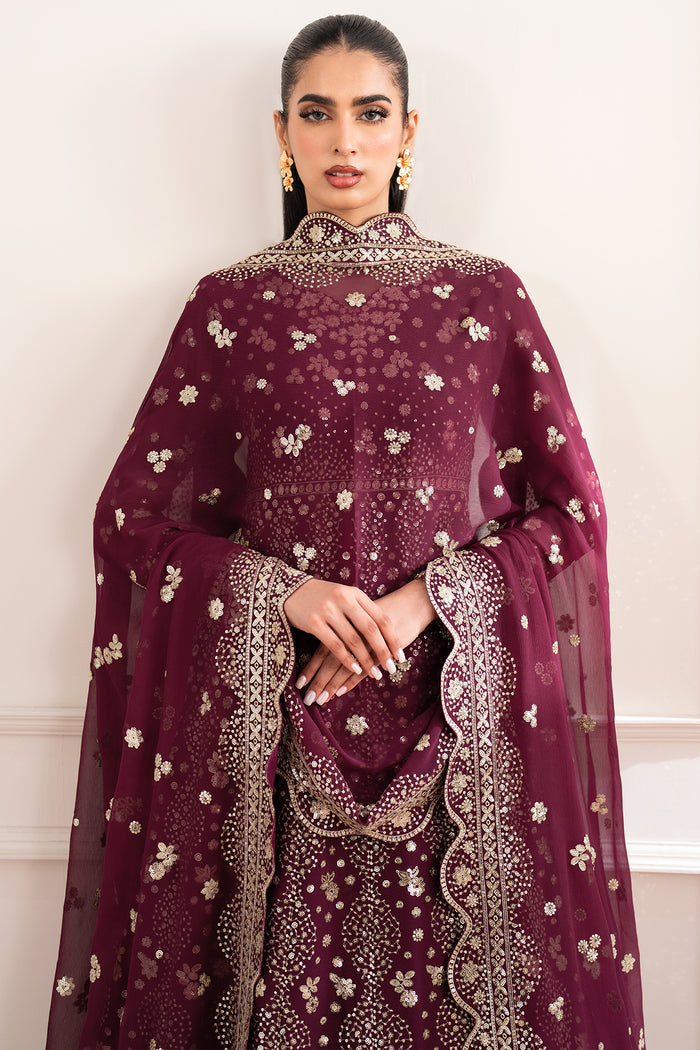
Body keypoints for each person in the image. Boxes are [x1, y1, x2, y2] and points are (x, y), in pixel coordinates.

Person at [46, 14, 646, 1050]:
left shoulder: (484, 297)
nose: (344, 141)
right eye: (317, 114)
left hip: (456, 718)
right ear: (281, 132)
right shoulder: (230, 306)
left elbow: (571, 511)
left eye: (370, 114)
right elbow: (133, 519)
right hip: (275, 724)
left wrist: (425, 602)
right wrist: (285, 593)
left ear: (409, 131)